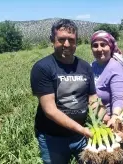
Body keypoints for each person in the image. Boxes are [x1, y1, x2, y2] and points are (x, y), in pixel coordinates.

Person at [30, 19, 99, 164]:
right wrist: (82, 130)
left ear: (76, 41)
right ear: (52, 40)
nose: (66, 44)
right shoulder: (43, 68)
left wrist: (104, 118)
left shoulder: (85, 66)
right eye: (61, 39)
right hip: (53, 138)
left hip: (81, 137)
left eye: (71, 40)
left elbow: (92, 98)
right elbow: (50, 110)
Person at [90, 30, 123, 127]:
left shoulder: (115, 67)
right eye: (95, 45)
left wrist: (115, 116)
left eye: (103, 45)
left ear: (110, 47)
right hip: (93, 119)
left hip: (108, 122)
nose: (99, 49)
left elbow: (118, 97)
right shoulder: (92, 66)